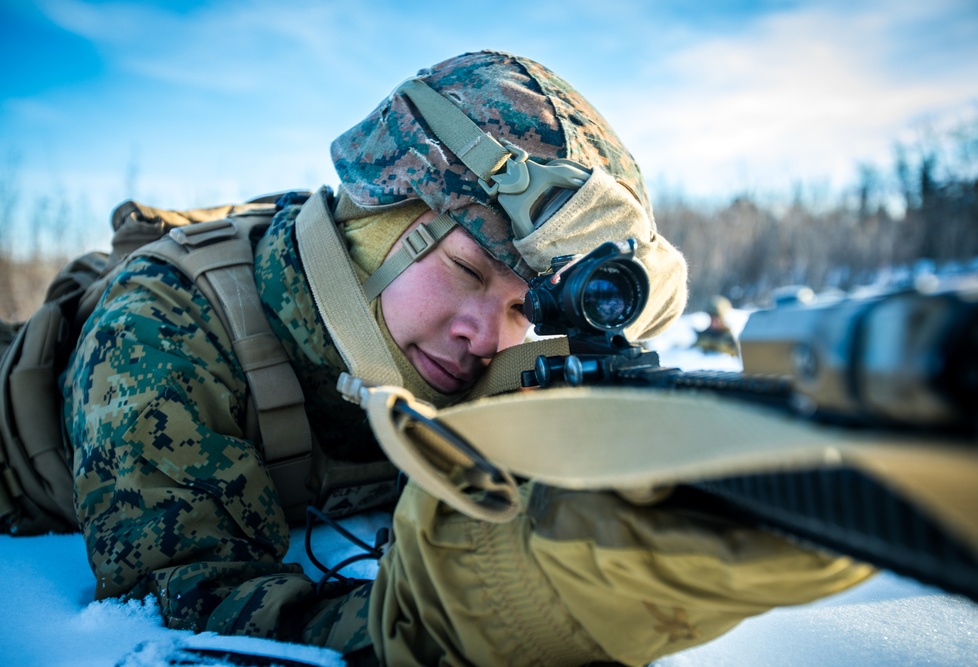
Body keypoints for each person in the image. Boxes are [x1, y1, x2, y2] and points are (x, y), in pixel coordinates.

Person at [62, 51, 871, 666]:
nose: (485, 336)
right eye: (465, 271)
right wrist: (475, 610)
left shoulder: (471, 349)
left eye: (525, 305)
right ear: (376, 224)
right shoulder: (161, 329)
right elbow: (176, 607)